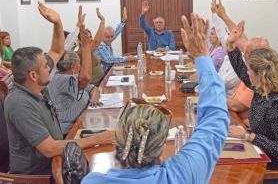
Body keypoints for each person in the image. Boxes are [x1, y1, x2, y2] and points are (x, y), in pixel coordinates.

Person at [82, 13, 230, 184]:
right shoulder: (182, 176)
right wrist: (202, 57)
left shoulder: (91, 181)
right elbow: (214, 123)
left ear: (117, 141)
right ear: (162, 151)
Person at [4, 2, 113, 176]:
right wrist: (97, 139)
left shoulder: (35, 85)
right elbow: (49, 149)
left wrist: (58, 23)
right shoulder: (20, 103)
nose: (50, 68)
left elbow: (56, 50)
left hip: (59, 156)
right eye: (46, 67)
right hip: (41, 173)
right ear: (33, 75)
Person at [227, 23, 278, 182]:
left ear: (261, 75)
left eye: (250, 70)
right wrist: (230, 45)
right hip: (260, 156)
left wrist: (248, 136)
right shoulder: (262, 89)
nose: (247, 73)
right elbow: (240, 69)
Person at [48, 6, 101, 135]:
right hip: (68, 131)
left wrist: (94, 96)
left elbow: (93, 88)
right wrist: (85, 44)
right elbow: (85, 78)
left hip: (83, 120)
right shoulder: (60, 78)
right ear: (73, 67)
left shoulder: (69, 74)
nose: (81, 66)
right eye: (79, 64)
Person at [96, 7, 136, 72]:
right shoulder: (100, 45)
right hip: (104, 75)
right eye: (107, 37)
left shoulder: (106, 42)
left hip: (110, 69)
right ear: (102, 36)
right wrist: (127, 58)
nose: (110, 39)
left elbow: (116, 32)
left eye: (112, 37)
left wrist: (123, 21)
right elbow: (109, 59)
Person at [75, 7, 105, 85]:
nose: (90, 39)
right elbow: (96, 41)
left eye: (91, 37)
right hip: (92, 85)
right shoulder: (81, 51)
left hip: (100, 80)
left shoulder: (90, 49)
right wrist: (102, 21)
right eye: (87, 38)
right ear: (80, 41)